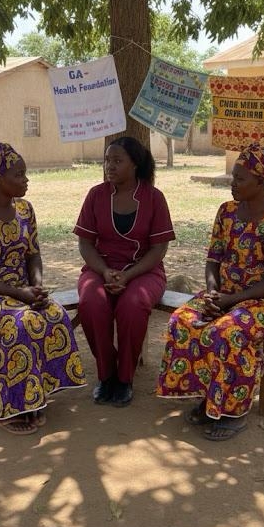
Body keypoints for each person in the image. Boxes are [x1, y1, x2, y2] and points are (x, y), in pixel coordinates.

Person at [156, 143, 264, 441]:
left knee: (227, 332)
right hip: (225, 294)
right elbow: (213, 259)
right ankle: (208, 398)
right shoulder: (227, 212)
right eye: (233, 176)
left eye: (240, 178)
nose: (232, 183)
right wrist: (212, 294)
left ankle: (234, 411)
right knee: (183, 321)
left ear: (261, 182)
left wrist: (231, 301)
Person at [0, 142, 86, 435]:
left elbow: (33, 254)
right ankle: (7, 405)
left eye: (25, 173)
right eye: (19, 174)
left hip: (17, 287)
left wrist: (36, 286)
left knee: (55, 314)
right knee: (18, 324)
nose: (26, 179)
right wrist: (17, 294)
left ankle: (34, 395)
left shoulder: (24, 209)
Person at [74, 136, 175, 407]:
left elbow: (158, 249)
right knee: (91, 302)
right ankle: (106, 374)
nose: (110, 166)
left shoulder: (154, 198)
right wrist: (105, 271)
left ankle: (124, 378)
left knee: (133, 305)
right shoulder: (96, 195)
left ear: (135, 164)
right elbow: (85, 244)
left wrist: (128, 276)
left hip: (144, 271)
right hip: (100, 268)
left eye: (117, 160)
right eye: (107, 160)